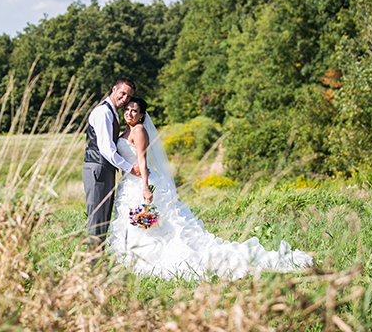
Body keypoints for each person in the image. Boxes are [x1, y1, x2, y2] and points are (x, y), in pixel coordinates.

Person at [107, 97, 313, 280]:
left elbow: (142, 160)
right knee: (135, 223)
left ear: (142, 115)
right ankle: (133, 254)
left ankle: (149, 256)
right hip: (128, 183)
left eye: (135, 111)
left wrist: (145, 188)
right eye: (127, 109)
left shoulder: (139, 130)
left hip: (141, 183)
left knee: (157, 225)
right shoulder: (126, 130)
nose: (130, 113)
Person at [82, 78, 142, 249]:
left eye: (129, 97)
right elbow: (107, 150)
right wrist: (130, 168)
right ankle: (91, 263)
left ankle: (96, 260)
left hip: (105, 169)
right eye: (122, 93)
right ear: (114, 89)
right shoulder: (103, 112)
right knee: (97, 219)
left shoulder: (114, 112)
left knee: (103, 218)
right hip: (97, 168)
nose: (125, 99)